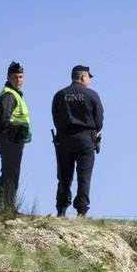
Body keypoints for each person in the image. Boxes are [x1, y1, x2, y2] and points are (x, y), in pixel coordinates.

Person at [51, 65, 103, 217]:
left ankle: (61, 210)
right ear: (82, 77)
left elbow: (55, 118)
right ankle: (81, 211)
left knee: (64, 177)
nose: (88, 81)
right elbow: (99, 121)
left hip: (64, 140)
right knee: (84, 177)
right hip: (85, 140)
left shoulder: (59, 95)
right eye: (88, 78)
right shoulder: (92, 95)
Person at [0, 61, 30, 215]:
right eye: (15, 77)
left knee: (12, 174)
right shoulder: (9, 94)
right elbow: (4, 118)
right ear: (8, 77)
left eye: (21, 77)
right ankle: (1, 208)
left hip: (15, 139)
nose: (19, 80)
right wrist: (10, 132)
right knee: (8, 174)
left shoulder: (15, 94)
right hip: (10, 139)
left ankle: (8, 207)